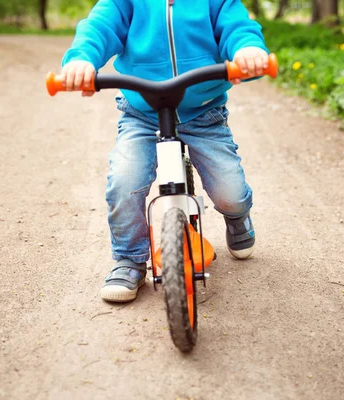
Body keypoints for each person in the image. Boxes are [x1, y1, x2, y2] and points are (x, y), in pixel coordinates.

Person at [60, 0, 268, 302]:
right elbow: (100, 27)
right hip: (142, 113)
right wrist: (82, 59)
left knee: (230, 191)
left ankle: (237, 217)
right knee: (124, 180)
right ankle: (129, 259)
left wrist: (247, 50)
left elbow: (237, 27)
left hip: (202, 112)